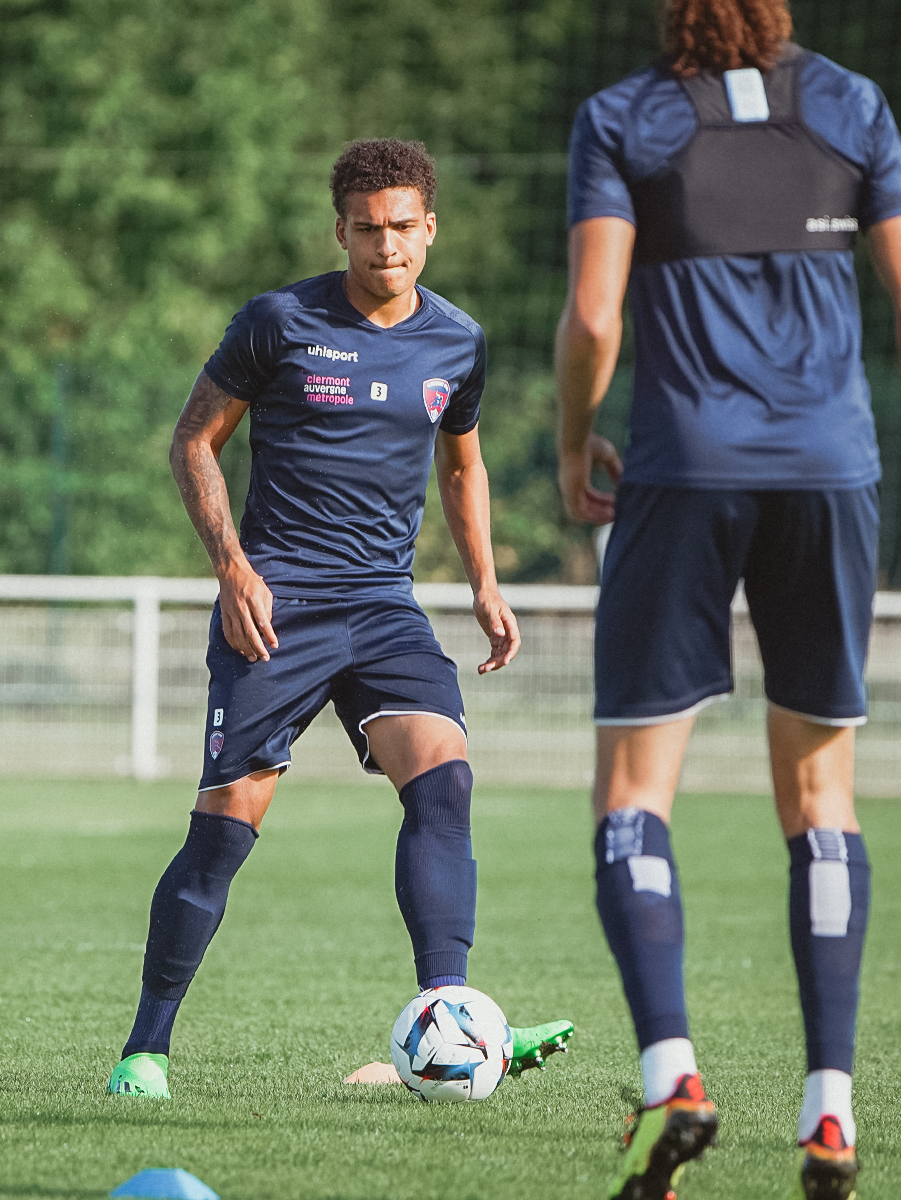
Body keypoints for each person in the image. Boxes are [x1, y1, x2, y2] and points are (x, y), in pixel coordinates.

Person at [554, 2, 901, 1197]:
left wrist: (574, 438)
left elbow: (593, 315)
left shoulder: (620, 117)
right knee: (822, 797)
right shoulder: (851, 103)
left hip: (681, 469)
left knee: (633, 795)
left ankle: (671, 1079)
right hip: (830, 473)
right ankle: (830, 1109)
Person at [108, 138, 573, 1101]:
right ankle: (145, 1050)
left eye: (402, 227)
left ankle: (452, 1016)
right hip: (276, 605)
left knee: (444, 782)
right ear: (341, 232)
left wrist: (486, 585)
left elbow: (462, 465)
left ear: (430, 229)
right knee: (223, 833)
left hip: (384, 605)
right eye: (367, 230)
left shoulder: (459, 340)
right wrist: (232, 567)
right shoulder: (279, 321)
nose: (385, 246)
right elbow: (193, 441)